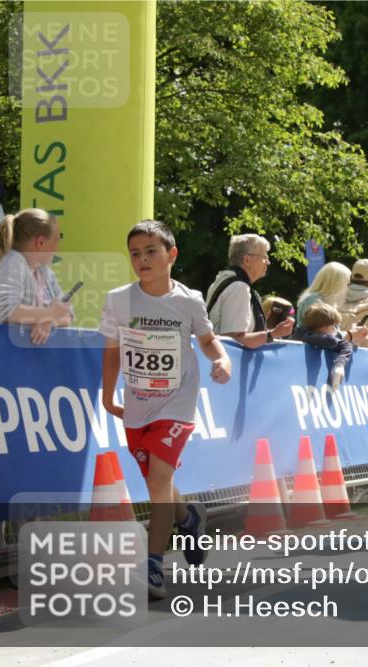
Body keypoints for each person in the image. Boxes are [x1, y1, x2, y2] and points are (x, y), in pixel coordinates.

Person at [99, 220, 232, 599]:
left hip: (178, 401)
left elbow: (207, 341)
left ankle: (153, 565)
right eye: (135, 253)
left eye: (151, 251)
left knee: (158, 480)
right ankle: (188, 517)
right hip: (138, 405)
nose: (142, 259)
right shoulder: (118, 299)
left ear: (172, 255)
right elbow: (111, 352)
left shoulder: (188, 300)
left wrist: (222, 361)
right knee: (159, 482)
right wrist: (109, 398)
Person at [0, 208, 73, 344]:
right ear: (40, 242)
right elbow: (3, 310)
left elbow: (68, 314)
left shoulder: (44, 271)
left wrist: (48, 320)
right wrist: (48, 314)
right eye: (57, 239)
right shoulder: (11, 263)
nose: (58, 247)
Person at [205, 234, 293, 348]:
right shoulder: (239, 287)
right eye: (265, 257)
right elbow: (234, 341)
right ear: (247, 260)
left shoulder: (226, 280)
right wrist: (274, 333)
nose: (268, 262)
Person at [296, 261, 368, 345]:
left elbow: (330, 337)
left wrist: (355, 336)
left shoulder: (325, 301)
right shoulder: (313, 301)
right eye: (346, 283)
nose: (347, 287)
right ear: (336, 284)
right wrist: (350, 334)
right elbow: (321, 338)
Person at [293, 302, 353, 389]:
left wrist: (339, 364)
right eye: (333, 325)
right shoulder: (318, 338)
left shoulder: (301, 332)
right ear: (323, 328)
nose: (334, 329)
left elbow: (345, 344)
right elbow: (333, 342)